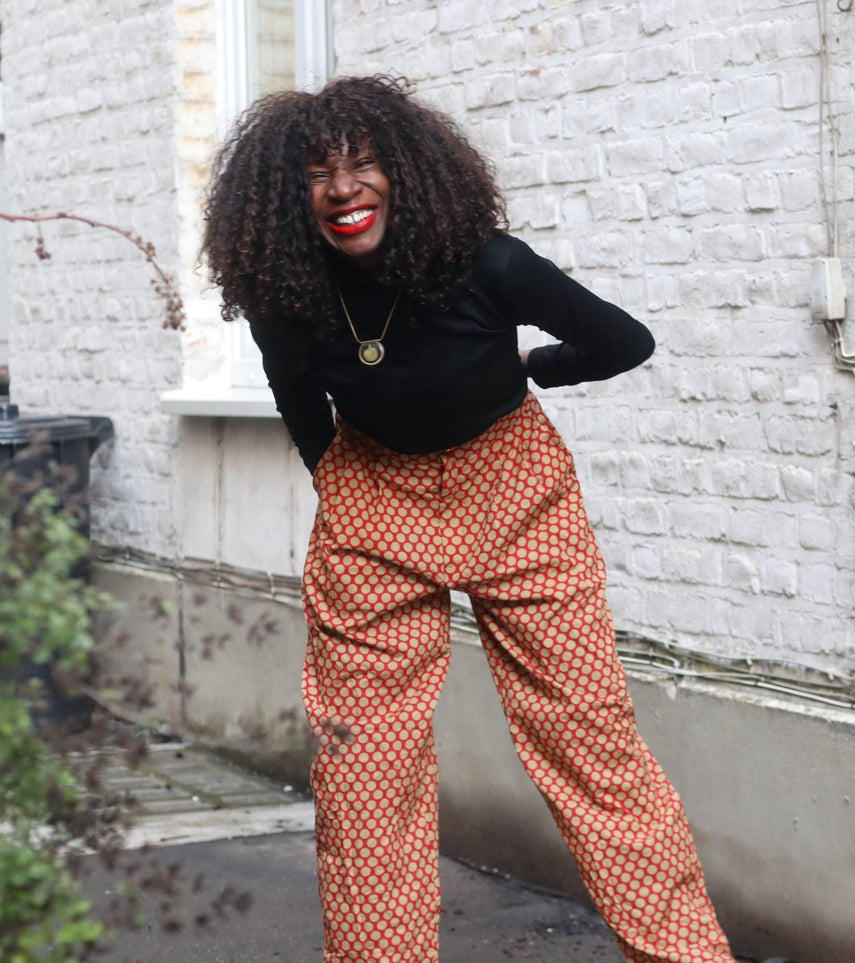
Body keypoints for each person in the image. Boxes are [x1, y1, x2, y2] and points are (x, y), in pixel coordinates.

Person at [200, 75, 736, 963]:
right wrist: (337, 481)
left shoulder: (489, 263)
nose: (342, 189)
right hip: (374, 502)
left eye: (363, 164)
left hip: (516, 491)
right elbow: (297, 398)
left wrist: (537, 367)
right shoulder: (285, 292)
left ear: (404, 171)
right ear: (285, 194)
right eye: (317, 173)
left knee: (589, 745)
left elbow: (623, 340)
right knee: (362, 772)